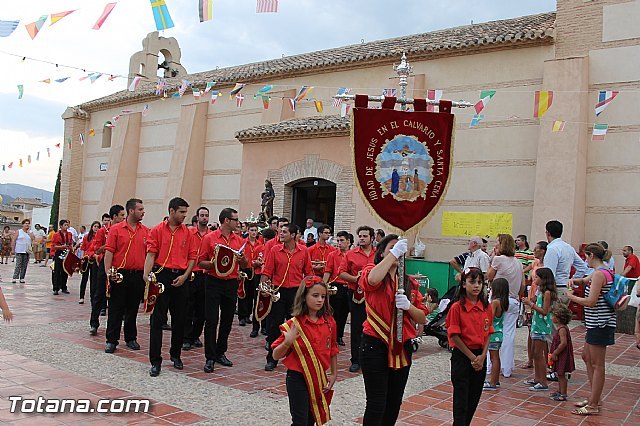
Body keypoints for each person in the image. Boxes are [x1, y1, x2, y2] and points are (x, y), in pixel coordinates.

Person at [359, 235, 427, 425]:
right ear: (381, 253)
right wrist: (393, 253)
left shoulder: (409, 283)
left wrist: (408, 307)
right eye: (391, 248)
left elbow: (422, 317)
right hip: (375, 343)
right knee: (376, 402)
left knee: (394, 402)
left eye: (400, 249)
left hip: (401, 345)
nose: (397, 252)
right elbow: (371, 280)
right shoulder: (372, 271)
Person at [272, 276, 338, 426]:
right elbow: (276, 354)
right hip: (298, 378)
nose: (320, 300)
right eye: (315, 296)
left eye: (323, 296)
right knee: (300, 421)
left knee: (312, 418)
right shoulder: (293, 324)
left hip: (319, 376)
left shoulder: (330, 322)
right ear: (304, 297)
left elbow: (333, 348)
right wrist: (287, 343)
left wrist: (334, 373)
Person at [144, 197, 198, 377]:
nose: (184, 215)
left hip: (181, 277)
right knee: (157, 319)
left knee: (180, 319)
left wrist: (184, 276)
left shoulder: (188, 233)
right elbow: (151, 253)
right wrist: (147, 274)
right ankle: (155, 361)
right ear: (172, 211)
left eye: (185, 212)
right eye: (181, 212)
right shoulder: (157, 230)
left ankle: (176, 355)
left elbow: (192, 257)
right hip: (162, 274)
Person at [566, 243, 616, 416]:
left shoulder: (600, 275)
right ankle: (595, 396)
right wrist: (575, 280)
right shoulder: (601, 272)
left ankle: (594, 404)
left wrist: (572, 297)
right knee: (587, 357)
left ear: (591, 256)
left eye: (585, 256)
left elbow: (591, 301)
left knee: (598, 364)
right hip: (595, 323)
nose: (584, 260)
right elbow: (585, 281)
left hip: (601, 323)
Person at [198, 207, 248, 373]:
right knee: (211, 320)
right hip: (213, 281)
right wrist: (215, 264)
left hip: (231, 282)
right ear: (227, 220)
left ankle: (221, 352)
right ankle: (210, 357)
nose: (238, 223)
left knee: (227, 320)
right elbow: (200, 262)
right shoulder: (209, 238)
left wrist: (242, 260)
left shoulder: (239, 240)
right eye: (235, 220)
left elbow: (245, 265)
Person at [261, 223, 313, 371]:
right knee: (274, 325)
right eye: (280, 232)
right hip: (278, 292)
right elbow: (267, 271)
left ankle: (294, 358)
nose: (280, 234)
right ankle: (272, 358)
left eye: (284, 232)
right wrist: (264, 289)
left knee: (296, 326)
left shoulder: (304, 251)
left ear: (294, 235)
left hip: (296, 293)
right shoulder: (274, 250)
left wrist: (307, 291)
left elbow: (308, 273)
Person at [447, 268, 493, 426]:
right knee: (461, 402)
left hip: (480, 357)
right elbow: (454, 335)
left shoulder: (486, 307)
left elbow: (488, 333)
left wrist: (482, 356)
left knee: (473, 400)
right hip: (463, 356)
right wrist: (473, 358)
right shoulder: (457, 307)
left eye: (480, 282)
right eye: (472, 282)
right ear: (464, 284)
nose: (477, 286)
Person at [103, 199, 148, 354]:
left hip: (137, 275)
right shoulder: (116, 230)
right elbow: (109, 252)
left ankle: (131, 338)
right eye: (140, 209)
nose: (143, 212)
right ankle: (111, 340)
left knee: (133, 308)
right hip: (120, 274)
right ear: (131, 211)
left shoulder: (146, 231)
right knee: (116, 308)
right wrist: (108, 273)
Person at [338, 225, 376, 373]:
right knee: (357, 327)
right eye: (360, 236)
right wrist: (356, 279)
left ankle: (372, 358)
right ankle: (356, 359)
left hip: (375, 296)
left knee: (374, 326)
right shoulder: (350, 254)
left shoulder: (378, 254)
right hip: (356, 295)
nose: (361, 238)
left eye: (365, 236)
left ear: (372, 238)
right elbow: (341, 273)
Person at [486, 233, 524, 378]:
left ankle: (490, 367)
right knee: (509, 334)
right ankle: (506, 369)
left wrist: (492, 258)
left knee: (492, 331)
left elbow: (489, 276)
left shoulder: (498, 259)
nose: (495, 245)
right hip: (514, 300)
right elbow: (522, 286)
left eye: (497, 242)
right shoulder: (518, 262)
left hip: (498, 299)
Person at [522, 267, 556, 391]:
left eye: (536, 277)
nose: (534, 279)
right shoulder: (540, 291)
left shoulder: (547, 293)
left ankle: (543, 381)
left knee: (539, 354)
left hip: (542, 326)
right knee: (535, 353)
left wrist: (531, 305)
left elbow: (545, 311)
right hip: (537, 325)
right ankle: (537, 378)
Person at [88, 210, 120, 336]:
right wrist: (108, 246)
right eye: (121, 215)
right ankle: (94, 323)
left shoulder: (122, 230)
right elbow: (97, 249)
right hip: (103, 263)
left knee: (115, 296)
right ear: (114, 217)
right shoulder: (102, 231)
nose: (123, 218)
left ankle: (112, 327)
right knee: (99, 293)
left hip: (117, 264)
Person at [183, 207, 210, 350]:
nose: (204, 218)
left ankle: (195, 335)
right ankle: (186, 337)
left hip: (206, 275)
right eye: (202, 215)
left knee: (202, 310)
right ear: (197, 217)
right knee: (188, 308)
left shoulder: (212, 236)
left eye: (206, 215)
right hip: (191, 274)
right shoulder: (189, 233)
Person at [543, 220, 588, 303]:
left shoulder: (552, 249)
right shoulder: (568, 248)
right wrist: (572, 281)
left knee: (552, 315)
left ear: (548, 233)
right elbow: (583, 267)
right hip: (566, 288)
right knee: (562, 315)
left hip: (555, 289)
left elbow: (549, 274)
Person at [521, 240, 548, 369]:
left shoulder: (547, 264)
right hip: (532, 295)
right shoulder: (535, 263)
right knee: (530, 329)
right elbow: (523, 272)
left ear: (542, 250)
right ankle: (530, 359)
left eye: (536, 249)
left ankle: (545, 360)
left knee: (542, 331)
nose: (533, 251)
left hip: (539, 297)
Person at [323, 230, 350, 346]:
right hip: (336, 286)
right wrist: (323, 286)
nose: (339, 243)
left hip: (349, 286)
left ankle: (339, 335)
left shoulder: (352, 255)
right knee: (334, 313)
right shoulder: (332, 255)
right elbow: (328, 271)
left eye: (342, 240)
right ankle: (332, 335)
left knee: (344, 313)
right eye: (338, 241)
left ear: (348, 242)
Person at [484, 278, 508, 391]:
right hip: (499, 332)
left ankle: (493, 382)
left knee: (494, 358)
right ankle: (496, 380)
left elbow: (490, 317)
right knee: (496, 357)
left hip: (493, 334)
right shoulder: (503, 301)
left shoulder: (495, 302)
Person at [548, 303, 575, 402]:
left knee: (562, 374)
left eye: (553, 316)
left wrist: (555, 353)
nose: (552, 318)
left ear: (559, 318)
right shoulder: (561, 328)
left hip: (562, 355)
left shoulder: (562, 329)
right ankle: (560, 390)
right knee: (559, 374)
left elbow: (563, 343)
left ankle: (563, 393)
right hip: (560, 354)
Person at [242, 223, 265, 337]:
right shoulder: (244, 243)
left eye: (255, 230)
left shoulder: (260, 245)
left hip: (259, 272)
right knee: (245, 293)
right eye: (252, 230)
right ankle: (244, 315)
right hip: (247, 269)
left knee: (257, 297)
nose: (254, 232)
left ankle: (262, 325)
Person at [79, 221, 101, 304]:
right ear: (92, 227)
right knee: (84, 278)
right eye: (95, 226)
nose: (96, 228)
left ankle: (93, 298)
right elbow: (83, 248)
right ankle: (81, 297)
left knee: (93, 279)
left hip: (94, 259)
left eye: (98, 227)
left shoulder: (99, 238)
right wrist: (82, 258)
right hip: (86, 259)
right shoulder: (86, 237)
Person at [51, 220, 72, 294]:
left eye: (67, 225)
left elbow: (70, 243)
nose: (66, 226)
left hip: (66, 252)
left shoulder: (69, 234)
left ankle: (64, 286)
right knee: (57, 270)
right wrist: (61, 246)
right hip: (59, 252)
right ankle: (55, 288)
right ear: (61, 226)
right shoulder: (56, 235)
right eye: (65, 225)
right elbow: (53, 246)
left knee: (65, 270)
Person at [11, 219, 34, 284]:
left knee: (24, 265)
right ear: (23, 224)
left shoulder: (29, 233)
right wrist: (13, 249)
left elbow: (33, 239)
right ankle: (15, 277)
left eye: (28, 223)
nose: (27, 225)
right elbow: (14, 240)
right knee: (18, 264)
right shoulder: (19, 231)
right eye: (25, 223)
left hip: (26, 251)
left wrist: (30, 233)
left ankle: (22, 277)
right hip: (19, 250)